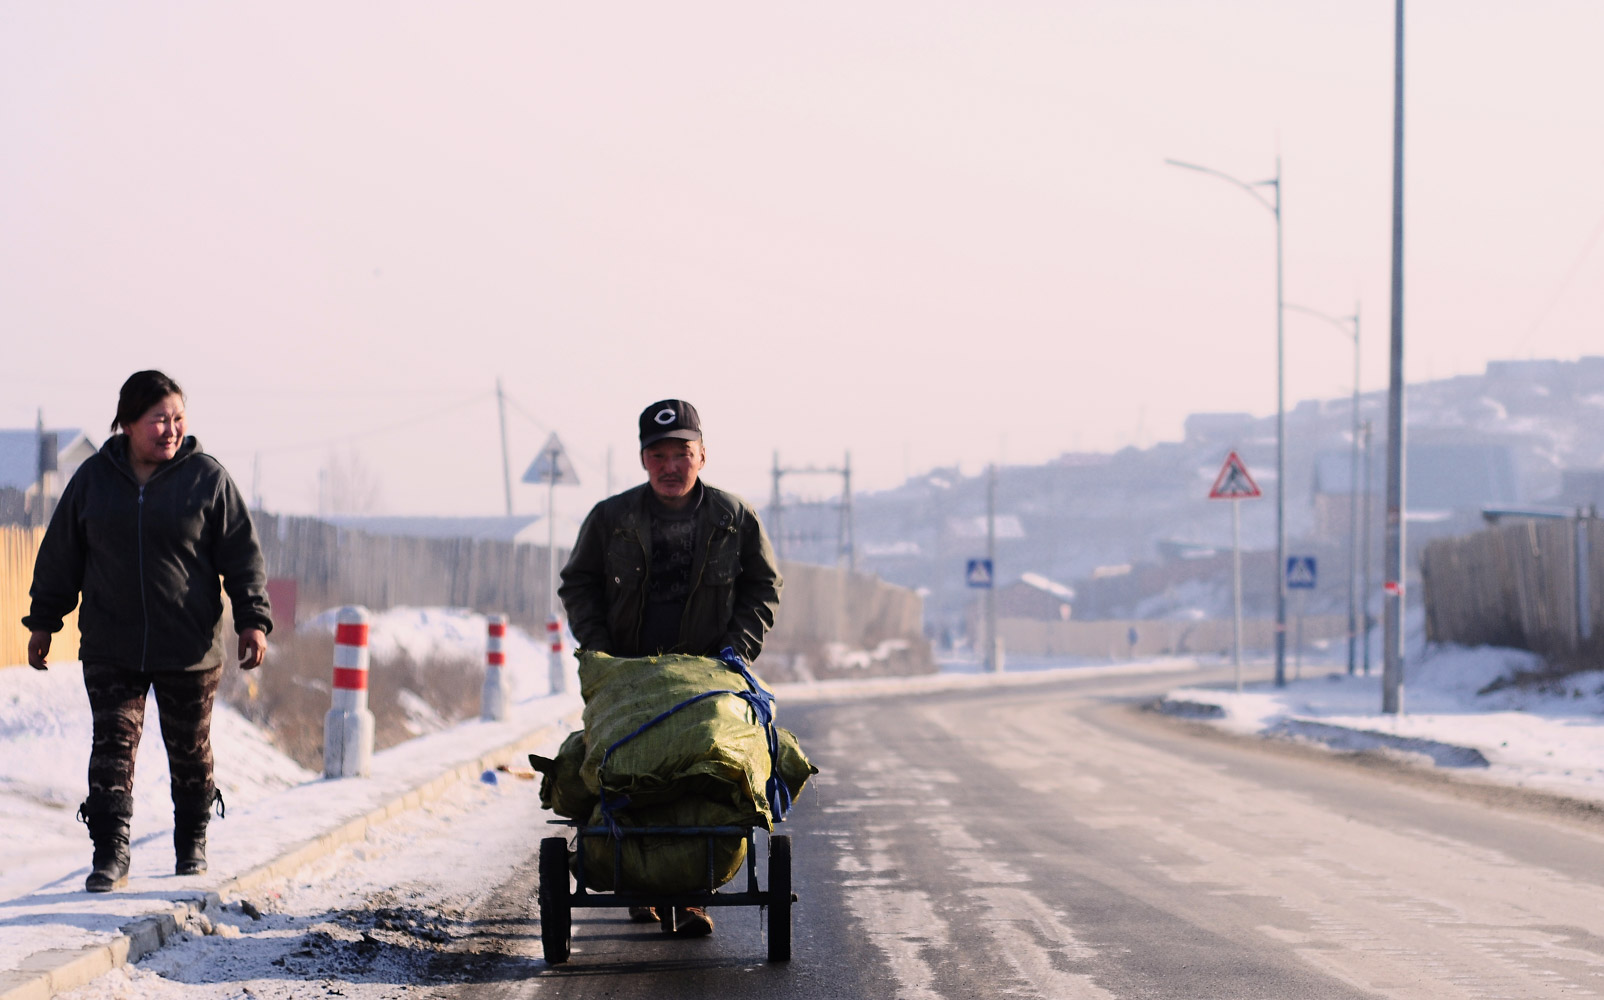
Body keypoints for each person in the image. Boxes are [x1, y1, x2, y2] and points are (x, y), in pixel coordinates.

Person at [23, 370, 273, 892]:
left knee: (190, 750)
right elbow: (60, 556)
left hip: (189, 647)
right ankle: (110, 853)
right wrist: (45, 621)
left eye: (178, 418)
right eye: (159, 419)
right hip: (112, 644)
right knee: (113, 747)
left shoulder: (207, 478)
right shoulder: (93, 479)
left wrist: (252, 619)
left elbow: (242, 555)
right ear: (128, 423)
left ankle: (191, 844)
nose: (171, 429)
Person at [558, 399, 782, 936]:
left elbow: (763, 587)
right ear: (643, 460)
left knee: (701, 778)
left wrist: (737, 649)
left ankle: (691, 893)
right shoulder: (612, 519)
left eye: (681, 452)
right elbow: (579, 584)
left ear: (702, 455)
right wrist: (601, 651)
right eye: (657, 454)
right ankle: (640, 881)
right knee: (629, 778)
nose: (669, 465)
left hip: (706, 678)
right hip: (630, 677)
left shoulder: (734, 518)